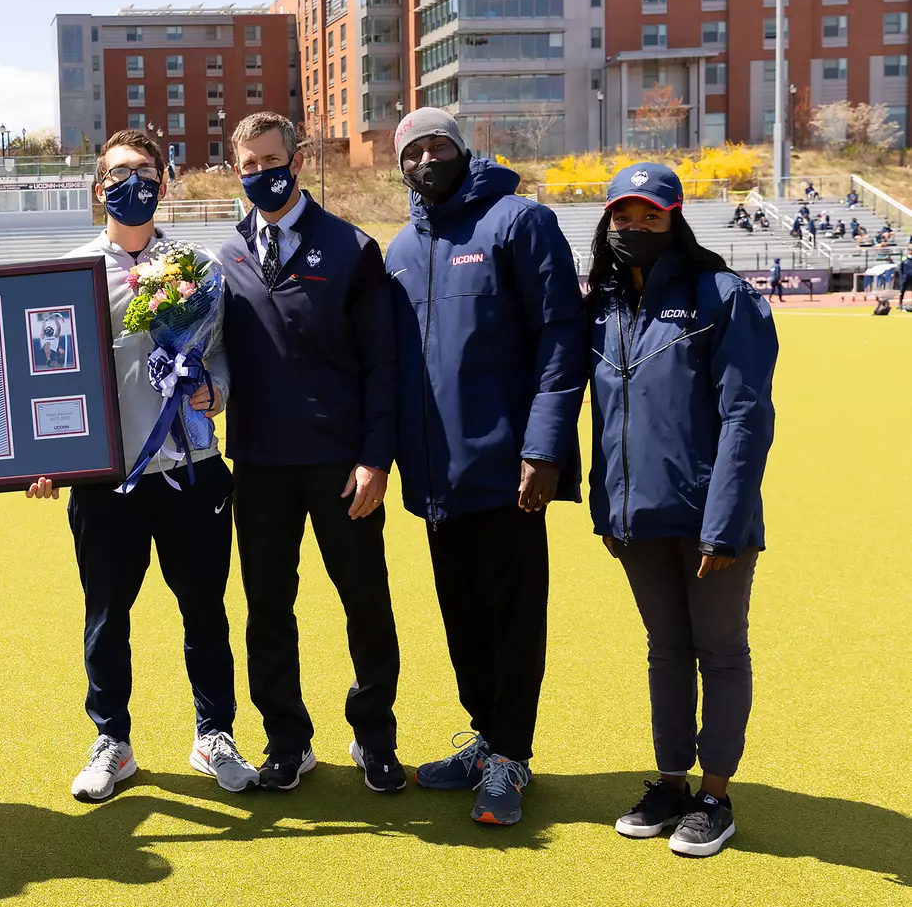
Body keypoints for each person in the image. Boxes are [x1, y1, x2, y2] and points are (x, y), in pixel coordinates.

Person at [29, 129, 253, 801]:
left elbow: (223, 353)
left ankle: (214, 733)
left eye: (147, 173)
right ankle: (113, 742)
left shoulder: (198, 268)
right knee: (106, 616)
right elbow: (44, 374)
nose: (136, 184)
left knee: (205, 610)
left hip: (193, 469)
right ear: (99, 189)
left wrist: (216, 389)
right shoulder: (67, 274)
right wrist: (46, 456)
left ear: (165, 182)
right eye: (121, 173)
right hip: (107, 480)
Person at [385, 108, 586, 826]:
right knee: (462, 617)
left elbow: (561, 336)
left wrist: (544, 448)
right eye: (413, 150)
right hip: (437, 476)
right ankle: (485, 738)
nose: (427, 158)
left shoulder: (519, 222)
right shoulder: (402, 248)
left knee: (512, 617)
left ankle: (511, 756)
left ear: (463, 149)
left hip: (508, 471)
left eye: (438, 144)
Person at [584, 163, 777, 858]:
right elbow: (606, 416)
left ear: (676, 219)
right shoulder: (602, 307)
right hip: (637, 521)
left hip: (709, 523)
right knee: (665, 651)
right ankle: (670, 784)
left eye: (651, 215)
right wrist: (606, 509)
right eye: (623, 215)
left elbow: (746, 418)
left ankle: (714, 798)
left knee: (719, 652)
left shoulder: (724, 297)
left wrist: (723, 527)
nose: (635, 226)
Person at [209, 112, 404, 793]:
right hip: (259, 465)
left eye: (272, 160)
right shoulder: (224, 257)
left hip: (341, 465)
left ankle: (374, 736)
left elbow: (383, 363)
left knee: (366, 602)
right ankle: (287, 740)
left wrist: (375, 458)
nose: (261, 173)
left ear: (297, 161)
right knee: (267, 607)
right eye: (248, 165)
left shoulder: (352, 247)